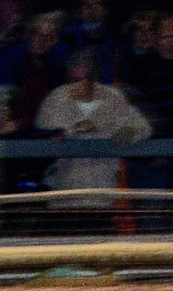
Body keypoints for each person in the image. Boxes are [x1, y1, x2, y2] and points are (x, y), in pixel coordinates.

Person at [35, 48, 149, 205]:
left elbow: (142, 127)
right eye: (73, 80)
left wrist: (129, 131)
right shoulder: (56, 99)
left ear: (94, 77)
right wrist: (67, 133)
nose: (77, 86)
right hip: (65, 191)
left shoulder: (113, 98)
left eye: (83, 79)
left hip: (103, 192)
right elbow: (40, 137)